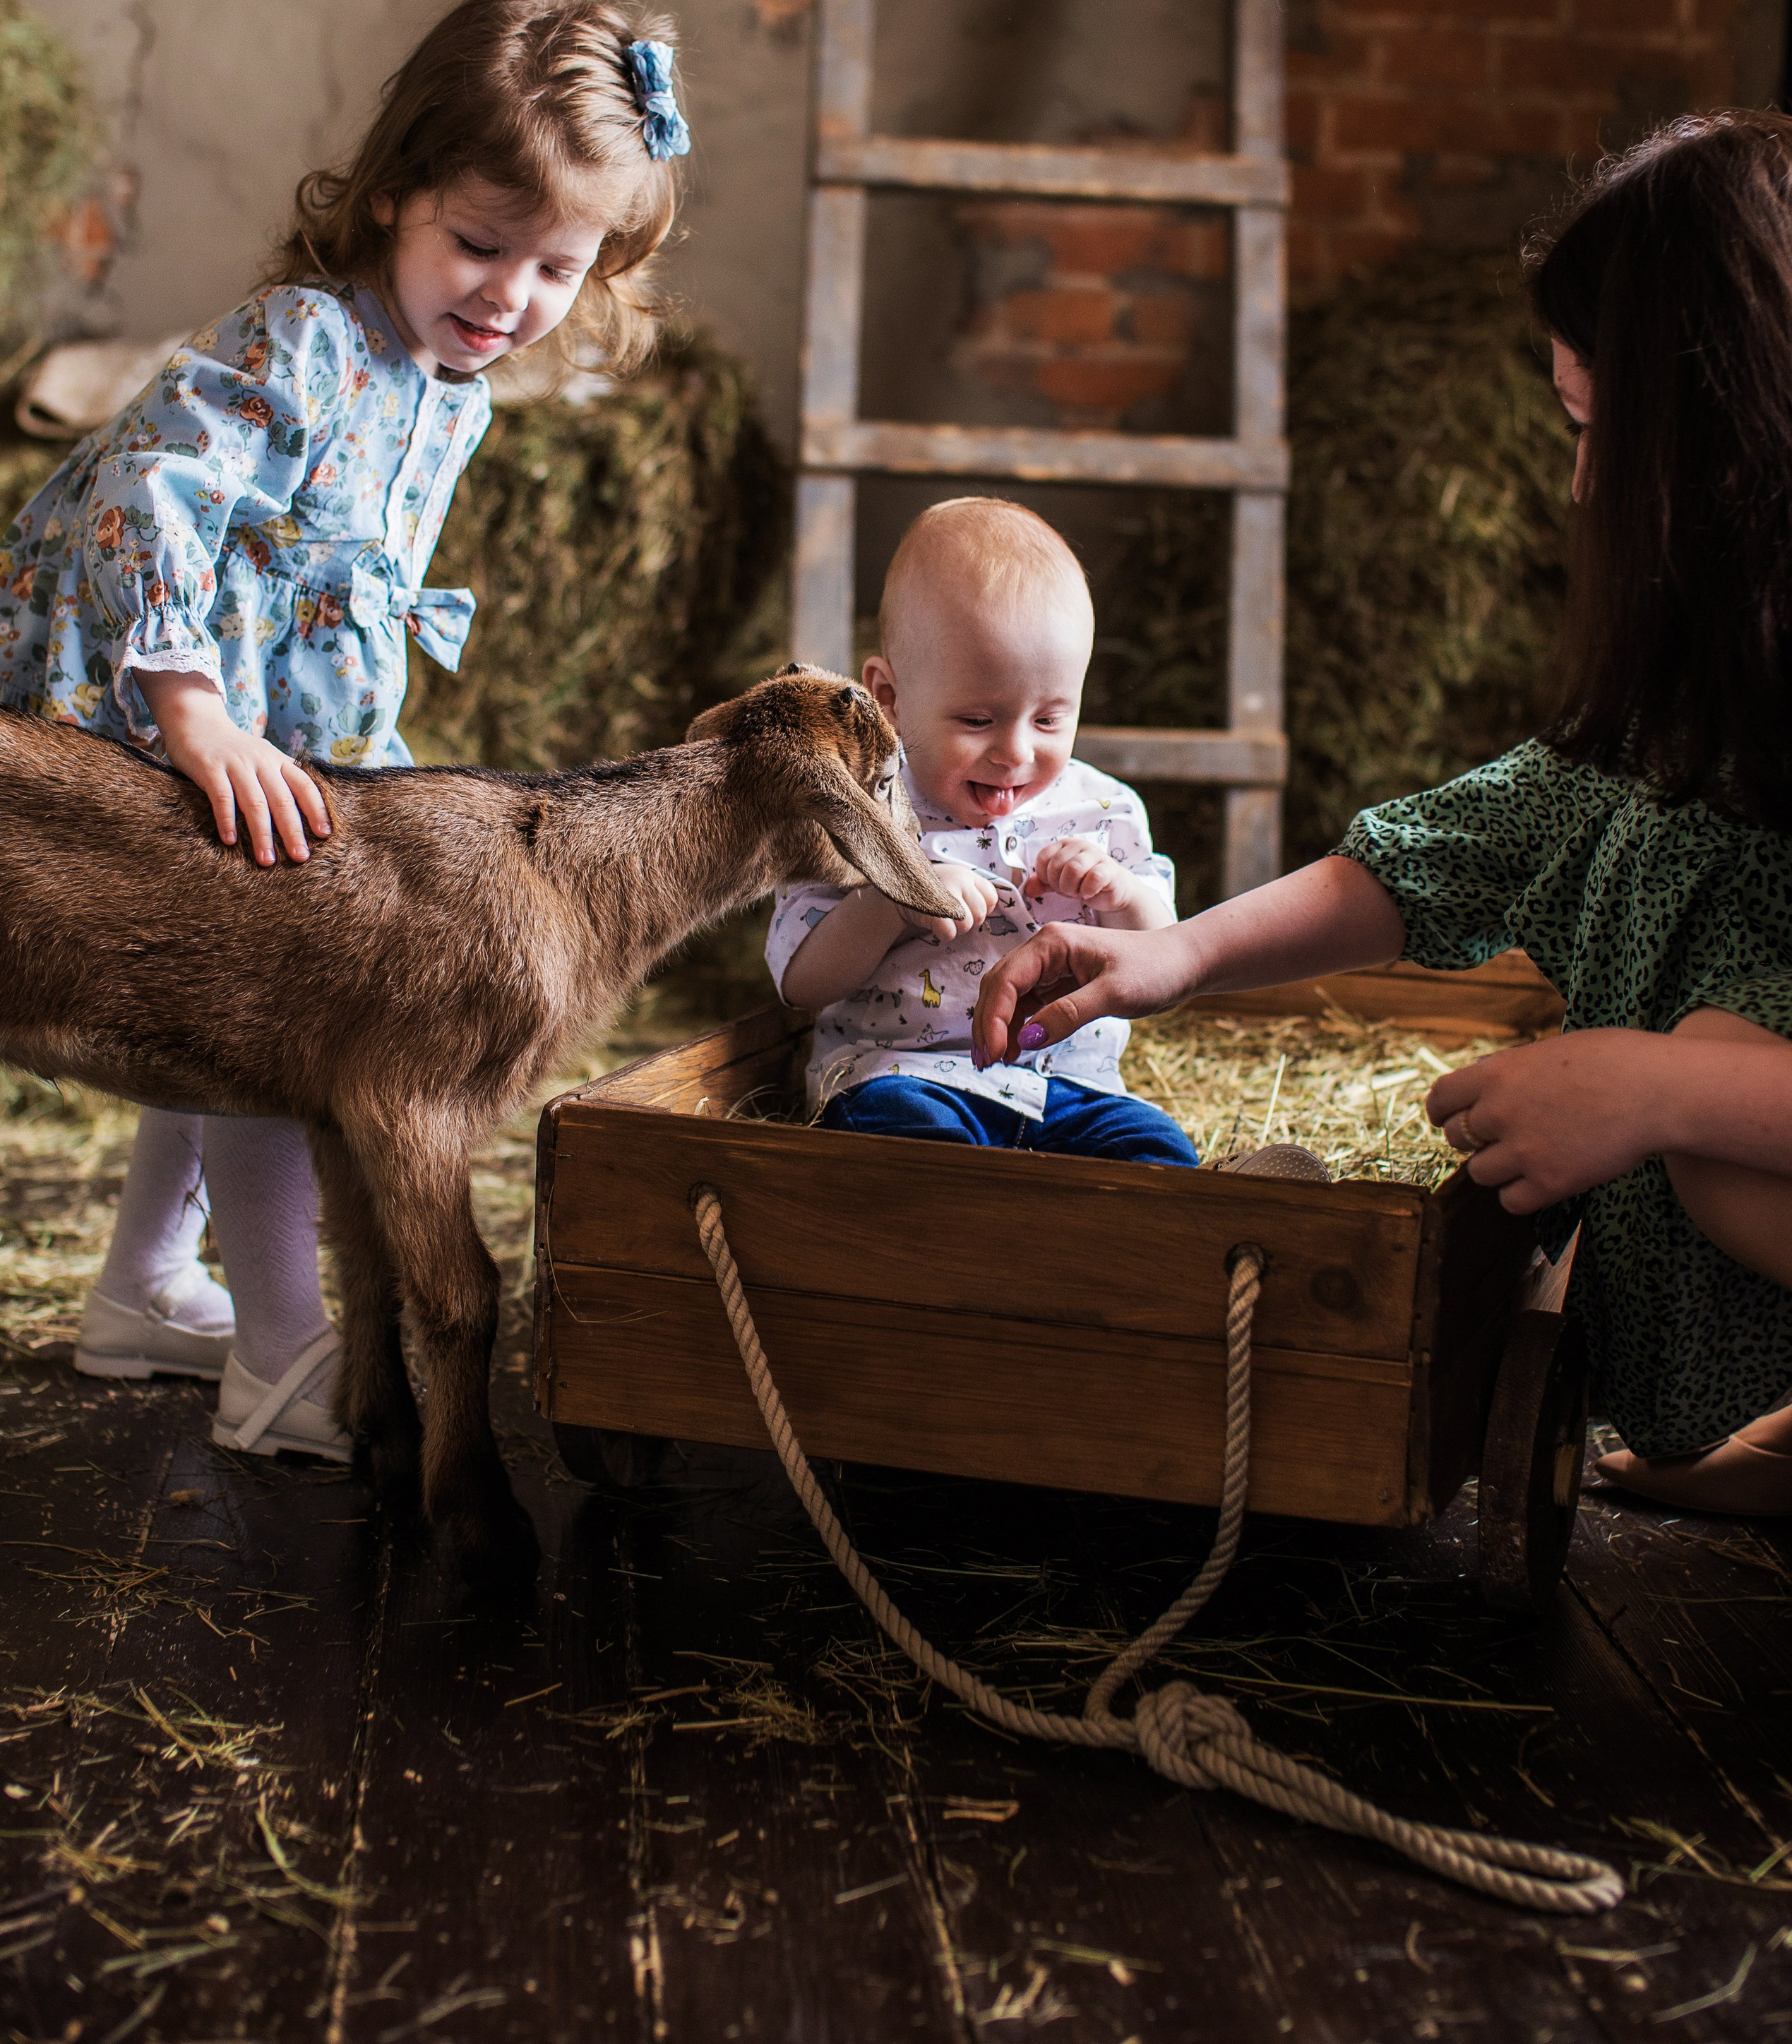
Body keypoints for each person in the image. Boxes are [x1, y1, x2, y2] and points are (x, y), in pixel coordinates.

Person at [972, 112, 1792, 1517]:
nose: (1578, 483)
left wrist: (1651, 1086)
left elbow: (1687, 1080)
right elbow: (1474, 837)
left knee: (1721, 1110)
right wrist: (1176, 958)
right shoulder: (1716, 669)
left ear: (1724, 427)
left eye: (1604, 434)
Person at [0, 0, 691, 1459]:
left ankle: (142, 1293)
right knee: (287, 1010)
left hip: (290, 732)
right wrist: (190, 707)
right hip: (147, 693)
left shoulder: (459, 385)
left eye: (556, 270)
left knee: (234, 1001)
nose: (510, 298)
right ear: (391, 192)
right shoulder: (302, 342)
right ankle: (284, 1351)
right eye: (479, 245)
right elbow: (149, 488)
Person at [767, 496, 1200, 1164]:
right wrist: (894, 899)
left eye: (1050, 720)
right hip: (903, 1075)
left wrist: (1121, 896)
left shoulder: (1106, 811)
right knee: (902, 1145)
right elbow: (801, 982)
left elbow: (1166, 959)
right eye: (977, 720)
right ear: (889, 697)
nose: (1016, 752)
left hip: (1073, 1087)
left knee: (1158, 1152)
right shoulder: (857, 812)